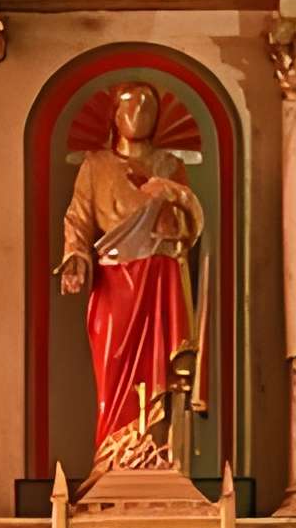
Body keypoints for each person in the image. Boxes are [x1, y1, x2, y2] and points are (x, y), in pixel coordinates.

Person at [60, 82, 206, 477]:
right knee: (115, 371)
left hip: (160, 278)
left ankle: (155, 449)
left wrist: (172, 191)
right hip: (114, 280)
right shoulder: (96, 165)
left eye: (146, 108)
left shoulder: (169, 166)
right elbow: (78, 218)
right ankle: (114, 456)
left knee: (159, 365)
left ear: (158, 118)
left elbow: (191, 225)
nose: (137, 115)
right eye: (128, 108)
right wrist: (74, 256)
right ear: (114, 117)